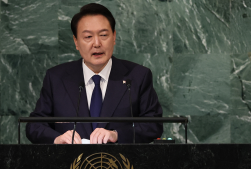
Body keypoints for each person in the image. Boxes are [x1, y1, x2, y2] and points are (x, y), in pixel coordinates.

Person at [26, 3, 163, 144]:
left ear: (114, 37)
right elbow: (34, 125)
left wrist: (116, 135)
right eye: (88, 37)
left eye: (103, 35)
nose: (97, 43)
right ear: (76, 42)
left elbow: (153, 125)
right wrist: (57, 138)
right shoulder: (56, 78)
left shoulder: (137, 76)